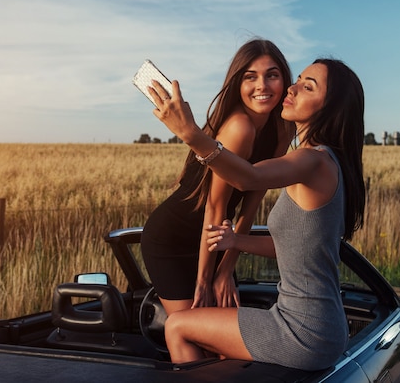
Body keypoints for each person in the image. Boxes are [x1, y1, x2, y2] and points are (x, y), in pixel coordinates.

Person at [148, 58, 365, 371]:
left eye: (307, 87)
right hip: (318, 328)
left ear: (331, 107)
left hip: (301, 331)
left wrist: (190, 133)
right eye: (298, 79)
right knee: (220, 350)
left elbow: (247, 178)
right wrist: (236, 241)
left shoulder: (314, 161)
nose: (292, 88)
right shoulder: (329, 163)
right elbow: (292, 247)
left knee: (177, 326)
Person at [140, 39, 295, 317]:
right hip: (173, 238)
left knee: (223, 335)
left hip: (216, 238)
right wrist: (203, 280)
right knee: (194, 330)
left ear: (284, 80)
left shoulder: (284, 128)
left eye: (272, 75)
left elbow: (253, 201)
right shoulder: (239, 128)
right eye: (251, 77)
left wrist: (225, 271)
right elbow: (215, 207)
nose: (262, 85)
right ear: (238, 84)